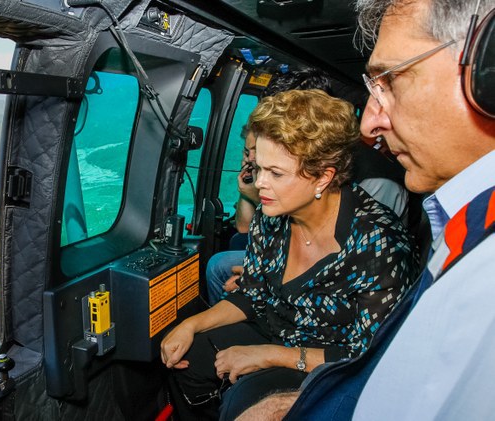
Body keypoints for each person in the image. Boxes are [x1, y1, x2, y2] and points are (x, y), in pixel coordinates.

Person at [236, 0, 495, 419]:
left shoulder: (388, 244)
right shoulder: (463, 229)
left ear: (488, 73)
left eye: (389, 82)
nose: (369, 124)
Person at [161, 89, 416, 420]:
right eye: (259, 167)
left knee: (244, 406)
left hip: (327, 359)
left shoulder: (380, 244)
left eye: (276, 173)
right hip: (274, 328)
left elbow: (367, 356)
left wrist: (268, 355)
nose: (260, 184)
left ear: (323, 176)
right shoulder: (272, 218)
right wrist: (191, 325)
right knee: (187, 359)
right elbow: (252, 295)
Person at [205, 68, 410, 306]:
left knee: (220, 266)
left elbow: (353, 271)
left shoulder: (378, 187)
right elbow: (253, 232)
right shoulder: (276, 169)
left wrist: (265, 284)